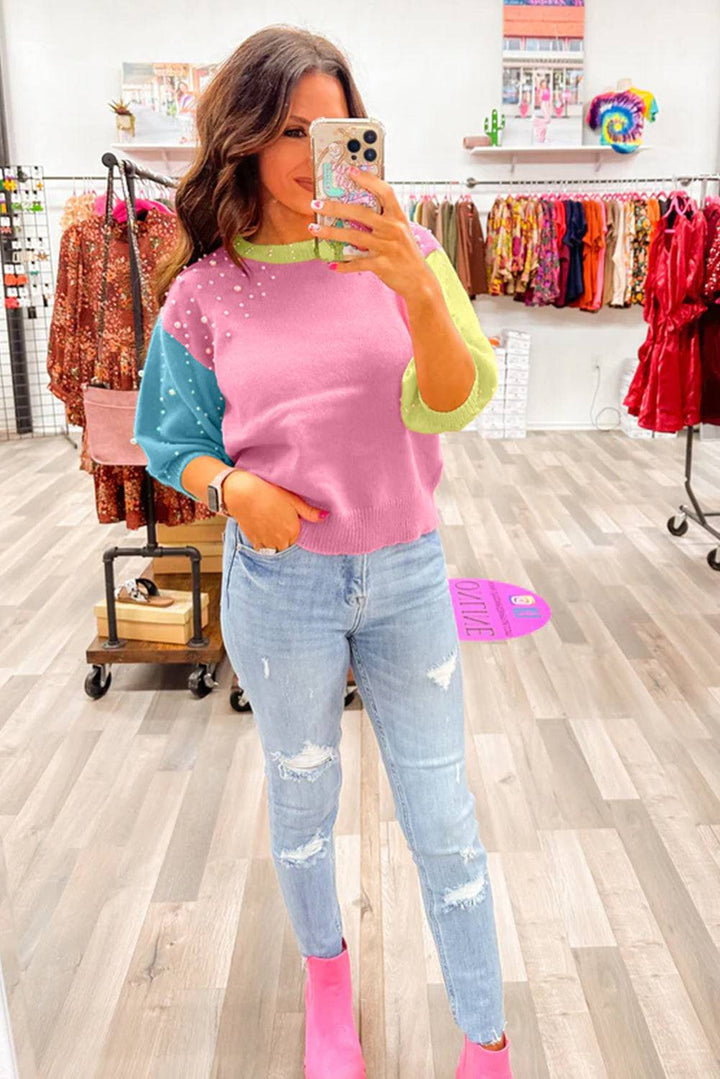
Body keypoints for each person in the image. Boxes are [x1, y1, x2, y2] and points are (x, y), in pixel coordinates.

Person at [135, 23, 513, 1079]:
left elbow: (452, 401)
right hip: (281, 586)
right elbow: (171, 437)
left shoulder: (414, 253)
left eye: (334, 126)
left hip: (407, 576)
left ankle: (487, 1037)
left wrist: (417, 289)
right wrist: (232, 485)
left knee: (443, 817)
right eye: (289, 129)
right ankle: (327, 989)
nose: (313, 152)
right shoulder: (207, 290)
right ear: (246, 139)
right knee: (302, 805)